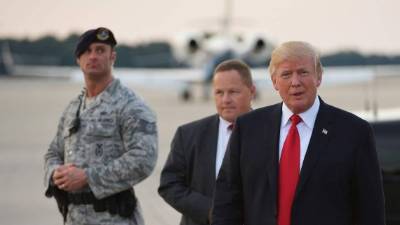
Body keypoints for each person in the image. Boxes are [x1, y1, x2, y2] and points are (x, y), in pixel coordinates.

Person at [212, 41, 385, 225]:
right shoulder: (248, 128)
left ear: (318, 77)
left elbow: (370, 210)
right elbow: (226, 202)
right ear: (274, 82)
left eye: (303, 72)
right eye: (286, 74)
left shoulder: (354, 132)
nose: (295, 82)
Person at [44, 27, 158, 225]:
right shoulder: (73, 108)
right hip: (73, 217)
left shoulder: (130, 105)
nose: (93, 56)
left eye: (100, 50)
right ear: (78, 60)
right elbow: (53, 151)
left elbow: (143, 159)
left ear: (112, 56)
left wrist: (88, 177)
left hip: (113, 218)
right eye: (87, 51)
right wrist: (56, 173)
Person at [158, 59, 256, 225]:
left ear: (252, 92)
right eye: (219, 92)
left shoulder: (272, 132)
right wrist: (211, 210)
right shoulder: (188, 135)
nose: (225, 100)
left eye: (233, 92)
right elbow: (169, 185)